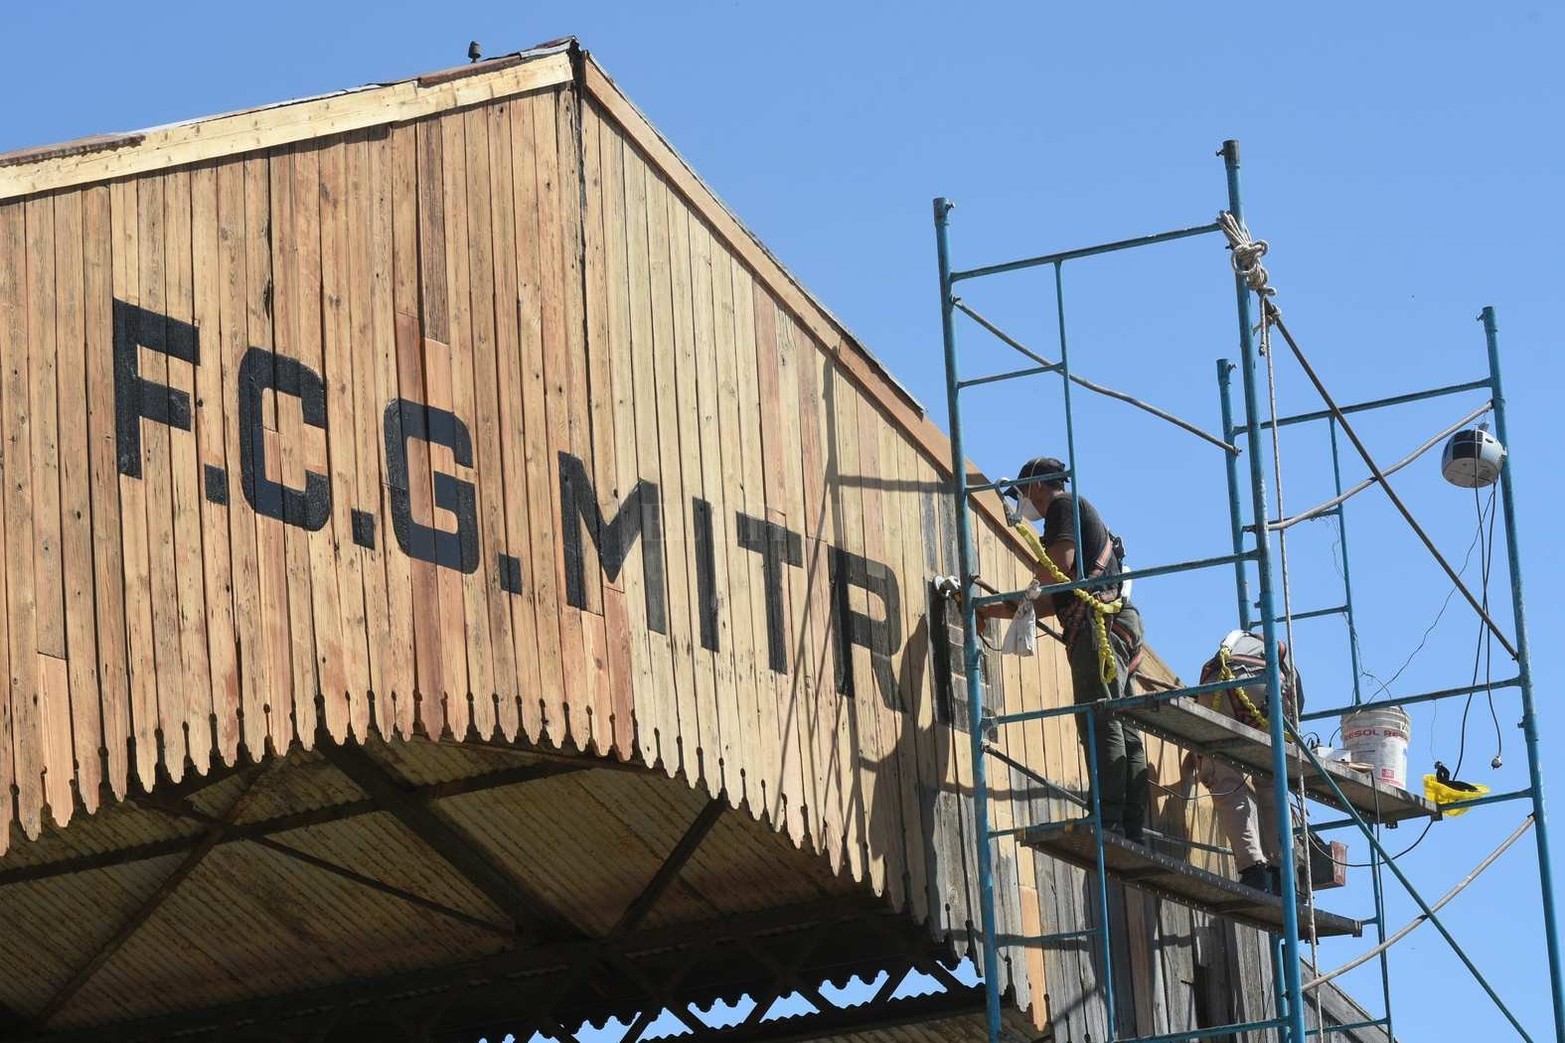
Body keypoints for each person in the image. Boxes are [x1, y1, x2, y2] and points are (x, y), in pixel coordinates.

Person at [981, 456, 1148, 842]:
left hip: (1097, 626)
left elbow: (1058, 566)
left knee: (1100, 719)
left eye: (1024, 493)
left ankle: (1107, 815)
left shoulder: (1062, 506)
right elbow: (1047, 601)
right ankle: (1131, 822)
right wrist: (990, 610)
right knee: (1124, 724)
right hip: (1117, 622)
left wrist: (1025, 593)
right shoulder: (1082, 517)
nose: (1025, 502)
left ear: (1038, 485)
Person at [1188, 630, 1305, 893]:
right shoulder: (1288, 672)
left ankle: (1253, 869)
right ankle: (1282, 872)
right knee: (1270, 782)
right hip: (1256, 686)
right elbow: (1292, 720)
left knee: (1225, 780)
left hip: (1213, 686)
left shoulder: (1239, 643)